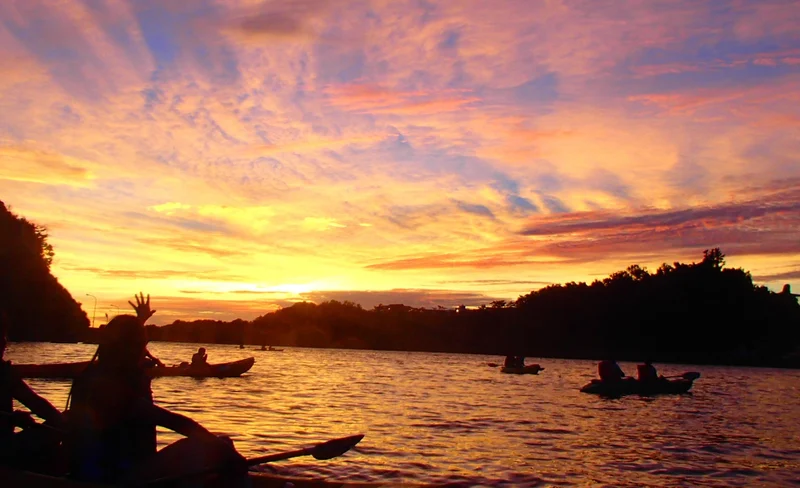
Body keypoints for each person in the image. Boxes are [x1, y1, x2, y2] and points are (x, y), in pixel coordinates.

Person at [65, 311, 245, 483]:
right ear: (129, 349)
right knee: (212, 447)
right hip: (113, 479)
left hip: (121, 472)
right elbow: (174, 421)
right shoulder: (107, 385)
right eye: (141, 345)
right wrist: (224, 451)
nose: (143, 351)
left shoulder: (99, 375)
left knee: (222, 443)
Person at [0, 312, 65, 470]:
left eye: (4, 336)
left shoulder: (5, 372)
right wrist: (12, 419)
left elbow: (35, 402)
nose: (4, 342)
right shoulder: (5, 373)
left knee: (61, 426)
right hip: (4, 449)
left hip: (7, 445)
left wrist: (65, 423)